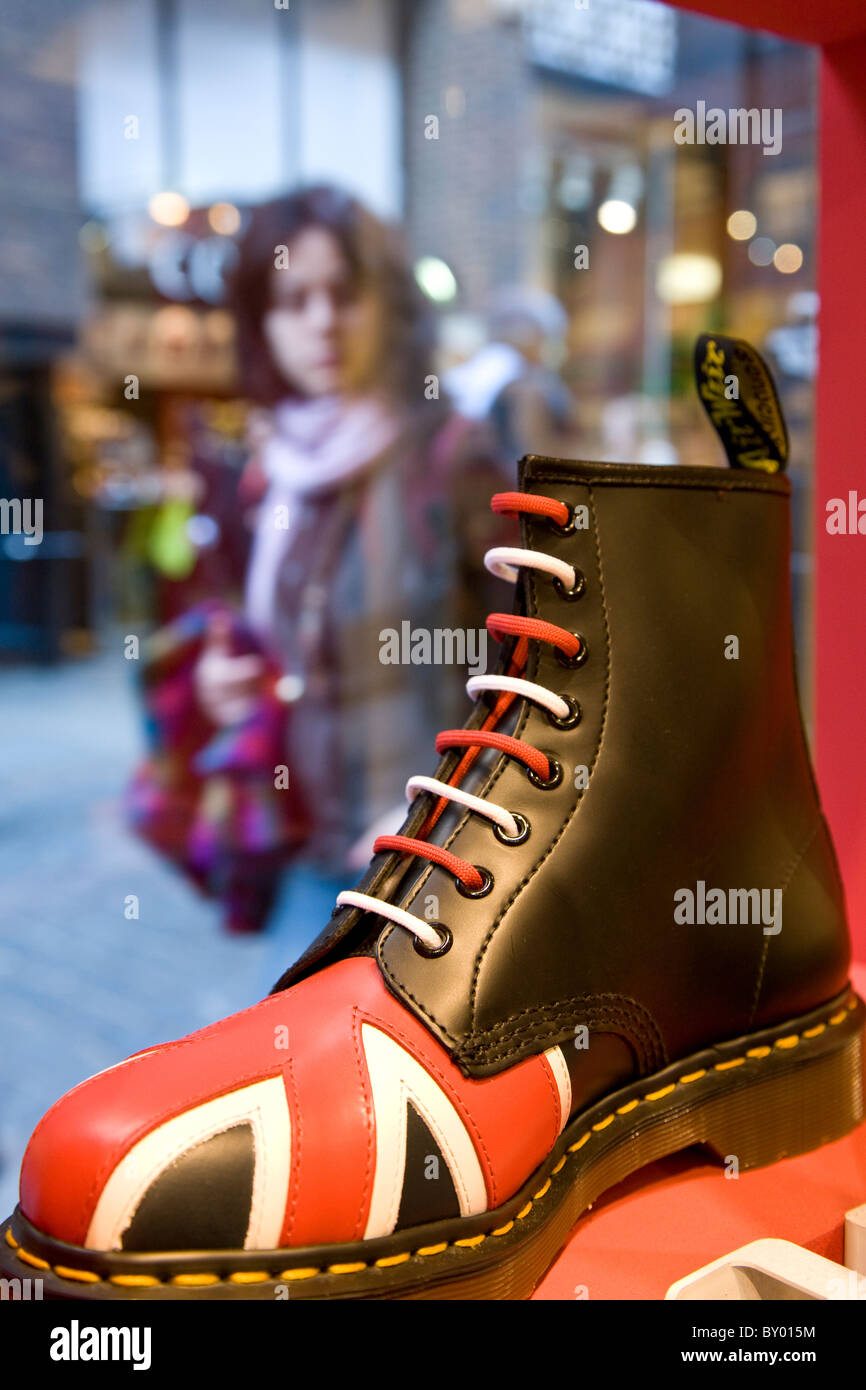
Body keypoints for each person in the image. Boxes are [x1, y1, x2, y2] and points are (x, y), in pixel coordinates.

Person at [196, 184, 512, 975]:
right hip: (300, 848)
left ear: (387, 302)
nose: (322, 321)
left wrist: (448, 797)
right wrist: (225, 680)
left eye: (344, 293)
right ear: (261, 321)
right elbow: (267, 634)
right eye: (292, 299)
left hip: (430, 867)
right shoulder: (274, 471)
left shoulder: (451, 456)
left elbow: (537, 661)